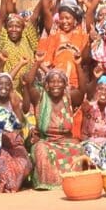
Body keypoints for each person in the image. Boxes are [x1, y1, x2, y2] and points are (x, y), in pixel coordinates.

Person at [25, 57, 87, 190]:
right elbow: (28, 83)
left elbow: (82, 90)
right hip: (45, 140)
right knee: (41, 150)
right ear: (46, 85)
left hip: (65, 140)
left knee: (78, 149)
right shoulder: (40, 96)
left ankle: (72, 181)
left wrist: (78, 65)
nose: (56, 85)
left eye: (59, 82)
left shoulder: (69, 97)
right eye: (52, 82)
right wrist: (37, 63)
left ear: (65, 85)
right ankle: (49, 183)